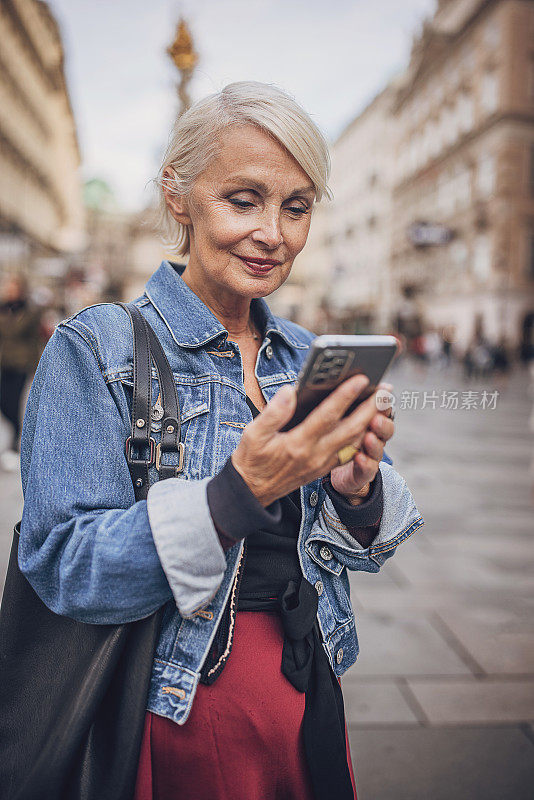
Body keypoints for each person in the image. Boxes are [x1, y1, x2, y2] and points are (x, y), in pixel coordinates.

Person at [19, 82, 424, 800]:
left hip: (309, 687)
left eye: (296, 207)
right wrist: (234, 497)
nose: (273, 233)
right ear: (178, 196)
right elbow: (62, 564)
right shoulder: (96, 346)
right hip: (174, 707)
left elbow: (371, 542)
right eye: (244, 200)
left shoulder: (304, 353)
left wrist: (357, 489)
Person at [0, 274, 42, 471]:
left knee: (13, 402)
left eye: (13, 287)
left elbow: (34, 339)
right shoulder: (3, 308)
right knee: (3, 403)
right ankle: (14, 438)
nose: (9, 290)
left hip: (20, 364)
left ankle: (15, 445)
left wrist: (35, 366)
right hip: (4, 363)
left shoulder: (29, 311)